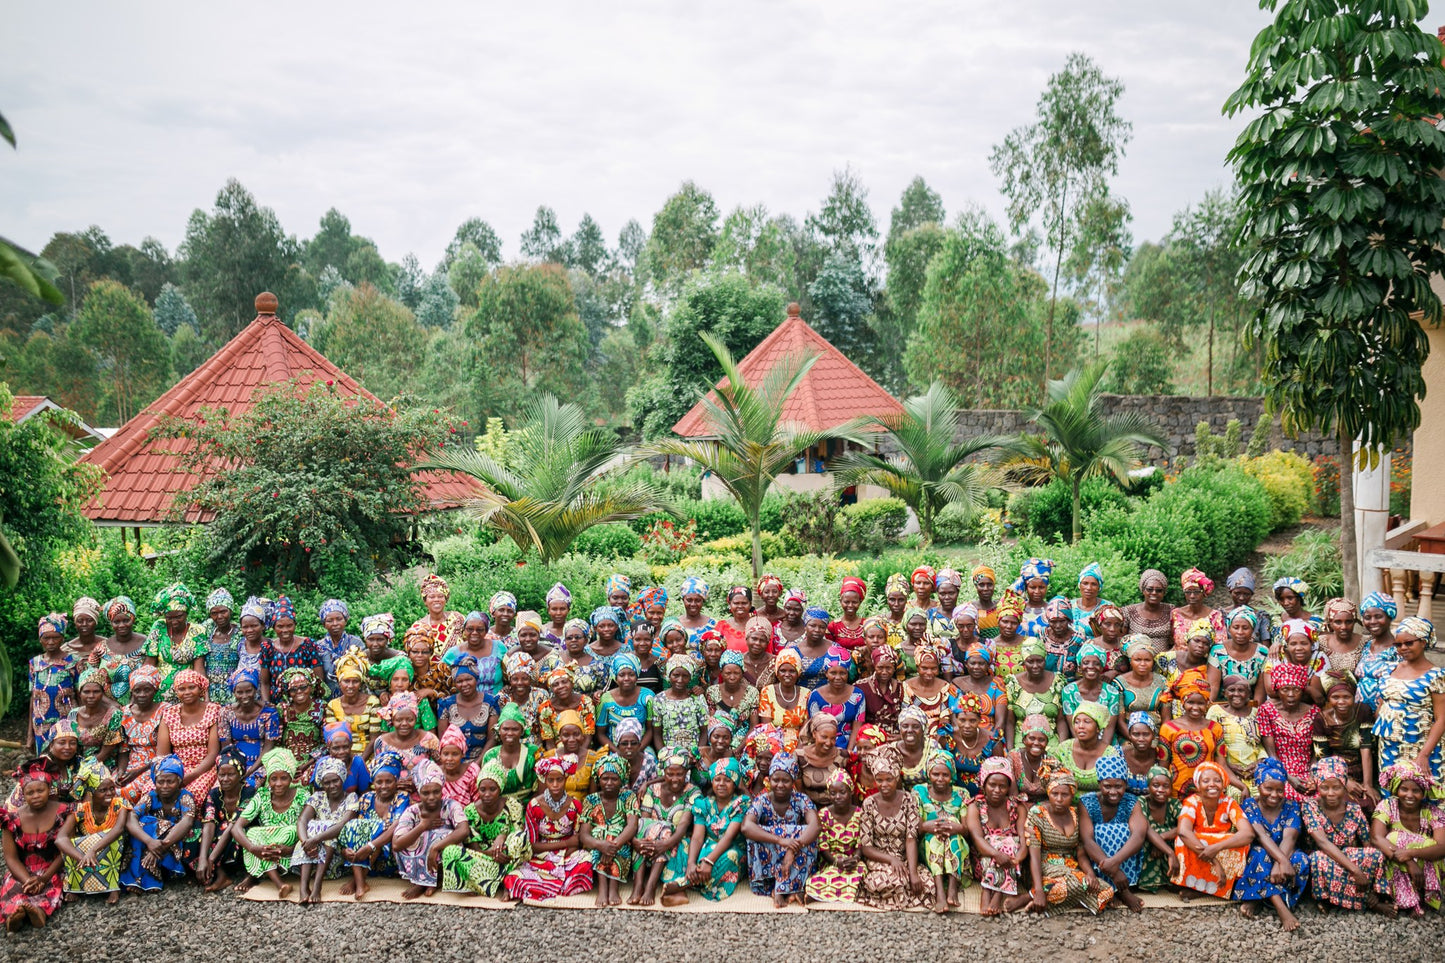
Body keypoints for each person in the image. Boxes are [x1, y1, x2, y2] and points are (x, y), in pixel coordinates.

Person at [1359, 617, 1445, 779]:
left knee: (1420, 792)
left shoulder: (1436, 675)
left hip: (1420, 744)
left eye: (1409, 643)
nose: (1403, 648)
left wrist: (1424, 755)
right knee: (1392, 788)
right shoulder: (1389, 669)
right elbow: (1383, 702)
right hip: (1390, 744)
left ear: (1423, 642)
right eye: (1398, 645)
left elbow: (1442, 719)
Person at [1302, 756, 1386, 914]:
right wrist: (1356, 871)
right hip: (1326, 857)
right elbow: (1322, 843)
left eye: (1337, 787)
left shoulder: (1354, 810)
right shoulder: (1310, 806)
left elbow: (1368, 844)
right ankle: (1367, 902)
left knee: (1376, 855)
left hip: (1347, 857)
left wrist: (1365, 867)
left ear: (1345, 786)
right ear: (1318, 786)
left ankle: (1360, 896)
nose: (1331, 793)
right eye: (1325, 787)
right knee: (1318, 859)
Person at [1233, 757, 1307, 930]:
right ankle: (1281, 908)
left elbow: (1290, 838)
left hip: (1285, 850)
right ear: (1258, 786)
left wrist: (1281, 862)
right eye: (1268, 789)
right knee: (1259, 855)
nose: (1274, 795)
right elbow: (1261, 836)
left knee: (1301, 860)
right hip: (1261, 852)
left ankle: (1259, 899)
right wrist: (1280, 862)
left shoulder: (1291, 806)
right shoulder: (1250, 805)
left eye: (1279, 790)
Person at [438, 761, 530, 900]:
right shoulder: (470, 810)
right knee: (450, 851)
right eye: (482, 789)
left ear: (500, 788)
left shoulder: (512, 804)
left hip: (508, 857)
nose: (487, 794)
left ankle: (496, 882)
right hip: (484, 858)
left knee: (519, 839)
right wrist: (492, 853)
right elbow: (474, 848)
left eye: (492, 789)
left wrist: (502, 838)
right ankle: (503, 878)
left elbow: (517, 833)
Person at [1026, 771, 1114, 915]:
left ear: (1072, 795)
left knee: (1106, 891)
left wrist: (1090, 873)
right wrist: (1040, 889)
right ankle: (1033, 895)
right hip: (1043, 866)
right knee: (1075, 884)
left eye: (1065, 795)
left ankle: (1032, 898)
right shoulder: (1037, 813)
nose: (1059, 799)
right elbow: (1034, 856)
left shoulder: (1076, 815)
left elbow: (1080, 852)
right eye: (1055, 794)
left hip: (1071, 869)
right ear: (1048, 793)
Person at [742, 753, 820, 907]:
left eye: (786, 780)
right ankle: (786, 887)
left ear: (792, 781)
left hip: (794, 856)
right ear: (769, 779)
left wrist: (792, 848)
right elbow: (746, 826)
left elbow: (816, 825)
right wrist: (780, 840)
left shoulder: (801, 799)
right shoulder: (762, 800)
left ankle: (780, 888)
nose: (780, 784)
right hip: (771, 856)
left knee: (807, 833)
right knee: (755, 835)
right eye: (775, 780)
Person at [0, 763, 69, 932]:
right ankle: (14, 916)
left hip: (51, 868)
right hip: (23, 869)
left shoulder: (63, 812)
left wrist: (43, 878)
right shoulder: (11, 819)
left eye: (40, 791)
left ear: (49, 789)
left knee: (52, 888)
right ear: (23, 794)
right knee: (13, 887)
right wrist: (27, 880)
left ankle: (38, 912)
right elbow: (11, 857)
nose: (36, 795)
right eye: (30, 792)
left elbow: (65, 851)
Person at [232, 748, 309, 897]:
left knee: (291, 830)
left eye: (284, 778)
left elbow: (311, 827)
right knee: (252, 833)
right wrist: (254, 848)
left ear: (291, 778)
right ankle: (279, 883)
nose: (278, 784)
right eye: (274, 779)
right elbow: (236, 828)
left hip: (290, 849)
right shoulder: (262, 796)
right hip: (265, 848)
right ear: (268, 780)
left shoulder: (302, 795)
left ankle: (256, 875)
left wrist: (292, 849)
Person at [1370, 761, 1445, 914]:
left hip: (1421, 864)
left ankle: (1425, 895)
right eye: (1404, 789)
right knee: (1393, 839)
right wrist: (1409, 862)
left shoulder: (1433, 812)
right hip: (1397, 861)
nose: (1409, 795)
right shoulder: (1387, 806)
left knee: (1425, 845)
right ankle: (1407, 899)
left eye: (1416, 790)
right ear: (1397, 790)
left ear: (1423, 793)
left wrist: (1411, 853)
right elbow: (1376, 838)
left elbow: (1442, 847)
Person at [1172, 760, 1252, 898]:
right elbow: (1183, 831)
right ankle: (1201, 887)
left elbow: (1248, 833)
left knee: (1241, 842)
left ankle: (1209, 888)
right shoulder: (1192, 801)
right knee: (1182, 840)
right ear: (1198, 785)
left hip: (1218, 845)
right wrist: (1214, 860)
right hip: (1200, 846)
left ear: (1223, 785)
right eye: (1206, 781)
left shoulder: (1229, 803)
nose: (1212, 784)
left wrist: (1216, 848)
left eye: (1217, 780)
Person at [120, 755, 199, 892]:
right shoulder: (151, 796)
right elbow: (131, 817)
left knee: (159, 826)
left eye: (170, 782)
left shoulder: (185, 797)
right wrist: (150, 841)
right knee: (143, 824)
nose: (165, 786)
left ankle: (153, 879)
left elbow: (187, 821)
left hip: (173, 841)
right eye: (160, 782)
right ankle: (135, 880)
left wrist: (162, 845)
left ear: (179, 781)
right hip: (152, 841)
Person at [1078, 753, 1146, 912]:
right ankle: (1116, 888)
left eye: (1118, 786)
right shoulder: (1086, 801)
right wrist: (1114, 872)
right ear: (1099, 784)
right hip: (1096, 856)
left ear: (1126, 784)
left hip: (1117, 860)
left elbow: (1139, 835)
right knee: (1101, 832)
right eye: (1107, 786)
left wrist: (1114, 863)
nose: (1113, 791)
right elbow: (1087, 840)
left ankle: (1119, 890)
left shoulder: (1131, 801)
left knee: (1122, 831)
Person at [629, 749, 697, 906]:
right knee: (644, 825)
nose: (674, 779)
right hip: (650, 844)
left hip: (676, 842)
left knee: (665, 828)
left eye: (679, 774)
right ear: (663, 772)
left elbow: (683, 826)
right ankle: (638, 886)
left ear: (686, 773)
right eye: (669, 774)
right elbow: (643, 822)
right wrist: (637, 841)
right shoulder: (653, 790)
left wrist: (665, 843)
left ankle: (650, 887)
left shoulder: (692, 792)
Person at [392, 759, 467, 900]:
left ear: (442, 790)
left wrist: (436, 847)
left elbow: (463, 830)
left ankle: (435, 879)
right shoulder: (412, 811)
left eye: (436, 792)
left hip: (440, 854)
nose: (432, 797)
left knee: (443, 837)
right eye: (426, 793)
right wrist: (422, 826)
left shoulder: (450, 805)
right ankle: (422, 881)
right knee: (414, 838)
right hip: (420, 854)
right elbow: (396, 844)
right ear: (419, 792)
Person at [676, 757, 748, 902]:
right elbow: (697, 837)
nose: (721, 784)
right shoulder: (703, 804)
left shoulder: (741, 803)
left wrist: (708, 861)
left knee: (731, 857)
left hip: (729, 848)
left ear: (734, 784)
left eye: (727, 780)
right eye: (717, 779)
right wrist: (691, 863)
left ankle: (684, 883)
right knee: (683, 844)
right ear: (712, 781)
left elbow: (729, 837)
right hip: (707, 847)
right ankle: (693, 876)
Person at [338, 755, 410, 897]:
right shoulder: (366, 798)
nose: (383, 786)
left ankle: (357, 881)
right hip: (364, 856)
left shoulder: (402, 797)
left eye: (388, 781)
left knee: (379, 829)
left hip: (388, 854)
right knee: (356, 825)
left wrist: (370, 846)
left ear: (396, 781)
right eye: (379, 782)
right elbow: (358, 830)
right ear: (373, 783)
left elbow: (396, 826)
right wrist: (346, 850)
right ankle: (360, 882)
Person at [293, 756, 358, 904]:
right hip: (313, 853)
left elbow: (342, 825)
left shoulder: (351, 798)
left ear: (342, 779)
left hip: (337, 855)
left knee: (328, 831)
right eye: (327, 783)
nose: (332, 786)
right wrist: (306, 842)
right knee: (310, 828)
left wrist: (315, 839)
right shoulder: (318, 797)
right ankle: (303, 888)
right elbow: (302, 820)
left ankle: (317, 886)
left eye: (335, 781)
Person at [576, 754, 638, 906]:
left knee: (614, 833)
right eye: (605, 778)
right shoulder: (591, 800)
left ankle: (614, 887)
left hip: (621, 842)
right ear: (598, 780)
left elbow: (632, 825)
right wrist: (601, 845)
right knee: (599, 833)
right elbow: (584, 834)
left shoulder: (628, 796)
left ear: (621, 780)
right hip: (598, 844)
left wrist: (613, 845)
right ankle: (603, 888)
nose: (609, 783)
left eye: (614, 779)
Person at [57, 768, 125, 904]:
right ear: (91, 793)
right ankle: (75, 887)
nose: (110, 793)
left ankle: (112, 888)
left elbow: (118, 829)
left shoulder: (119, 804)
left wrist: (93, 850)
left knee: (112, 838)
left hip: (112, 849)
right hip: (87, 855)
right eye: (103, 790)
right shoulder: (81, 809)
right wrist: (82, 858)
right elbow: (60, 838)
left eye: (112, 788)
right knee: (70, 844)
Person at [155, 668, 223, 802]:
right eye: (182, 689)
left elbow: (213, 753)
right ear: (176, 692)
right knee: (151, 791)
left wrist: (191, 776)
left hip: (204, 768)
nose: (187, 692)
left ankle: (193, 822)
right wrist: (173, 775)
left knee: (192, 794)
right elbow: (162, 755)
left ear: (200, 689)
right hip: (175, 768)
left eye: (192, 687)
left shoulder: (213, 710)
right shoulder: (169, 714)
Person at [1312, 671, 1378, 806]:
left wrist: (1368, 784)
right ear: (1329, 699)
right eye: (1335, 697)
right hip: (1335, 773)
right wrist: (1344, 781)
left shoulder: (1362, 711)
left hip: (1364, 770)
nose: (1341, 702)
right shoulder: (1321, 719)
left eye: (1346, 697)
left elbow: (1366, 748)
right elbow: (1323, 758)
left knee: (1370, 802)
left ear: (1353, 696)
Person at [1257, 662, 1320, 801]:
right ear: (1277, 690)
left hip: (1307, 770)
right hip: (1278, 769)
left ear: (1302, 690)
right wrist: (1288, 778)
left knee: (1320, 796)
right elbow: (1271, 754)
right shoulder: (1267, 711)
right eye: (1285, 689)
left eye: (1296, 689)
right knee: (1285, 795)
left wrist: (1312, 775)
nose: (1291, 694)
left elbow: (1316, 751)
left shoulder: (1314, 712)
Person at [914, 752, 968, 912]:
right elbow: (916, 825)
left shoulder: (962, 793)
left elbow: (966, 829)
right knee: (934, 838)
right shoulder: (918, 791)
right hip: (928, 845)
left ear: (952, 775)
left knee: (953, 838)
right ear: (928, 773)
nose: (940, 778)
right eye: (935, 774)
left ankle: (952, 888)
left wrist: (951, 826)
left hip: (957, 845)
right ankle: (940, 893)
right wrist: (927, 827)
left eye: (945, 774)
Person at [196, 751, 252, 893]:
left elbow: (233, 826)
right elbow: (209, 822)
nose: (225, 779)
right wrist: (203, 858)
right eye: (221, 775)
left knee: (232, 829)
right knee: (194, 831)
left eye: (231, 774)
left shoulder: (249, 792)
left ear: (240, 774)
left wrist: (211, 859)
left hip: (237, 836)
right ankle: (221, 874)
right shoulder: (214, 794)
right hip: (220, 836)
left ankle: (246, 874)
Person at [805, 769, 863, 903]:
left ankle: (829, 894)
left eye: (842, 792)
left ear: (851, 791)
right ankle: (825, 893)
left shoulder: (860, 814)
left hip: (854, 861)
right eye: (833, 793)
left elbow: (861, 843)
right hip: (830, 861)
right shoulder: (823, 814)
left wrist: (855, 858)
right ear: (828, 795)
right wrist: (836, 862)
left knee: (856, 876)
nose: (838, 796)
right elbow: (823, 846)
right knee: (824, 877)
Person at [141, 585, 207, 700]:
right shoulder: (159, 627)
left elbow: (199, 669)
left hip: (187, 695)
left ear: (186, 613)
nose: (174, 622)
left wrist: (205, 698)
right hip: (159, 695)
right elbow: (149, 664)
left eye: (179, 617)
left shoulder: (197, 631)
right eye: (169, 618)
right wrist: (142, 688)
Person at [221, 668, 280, 787]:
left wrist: (252, 769)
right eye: (240, 692)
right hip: (234, 762)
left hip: (262, 762)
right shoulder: (226, 712)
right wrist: (237, 767)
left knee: (251, 786)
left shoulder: (269, 711)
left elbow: (269, 746)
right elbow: (227, 747)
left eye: (249, 691)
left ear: (255, 690)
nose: (245, 696)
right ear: (234, 693)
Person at [30, 614, 80, 754]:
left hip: (68, 723)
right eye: (46, 638)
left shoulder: (73, 662)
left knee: (68, 761)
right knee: (46, 764)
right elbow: (33, 699)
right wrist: (30, 735)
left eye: (55, 637)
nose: (51, 642)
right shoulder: (34, 663)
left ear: (62, 638)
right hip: (41, 726)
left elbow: (81, 695)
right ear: (40, 640)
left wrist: (83, 724)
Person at [1005, 640, 1064, 748]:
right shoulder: (1013, 683)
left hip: (1050, 739)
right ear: (1023, 661)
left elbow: (1060, 719)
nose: (1035, 665)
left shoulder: (1057, 681)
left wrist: (1062, 748)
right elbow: (1010, 721)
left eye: (1039, 661)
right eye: (1030, 661)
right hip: (1022, 738)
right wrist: (1010, 749)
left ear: (1045, 660)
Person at [1209, 607, 1270, 704]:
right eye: (1236, 627)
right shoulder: (1218, 651)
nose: (1240, 632)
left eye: (1245, 628)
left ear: (1252, 630)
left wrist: (1254, 713)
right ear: (1229, 629)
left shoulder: (1262, 653)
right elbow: (1213, 687)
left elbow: (1260, 691)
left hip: (1249, 706)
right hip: (1222, 706)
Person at [94, 596, 146, 706]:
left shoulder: (146, 644)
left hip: (141, 707)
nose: (121, 625)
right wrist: (112, 705)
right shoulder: (101, 648)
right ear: (111, 623)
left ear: (133, 618)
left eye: (126, 620)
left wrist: (132, 705)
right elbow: (91, 681)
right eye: (116, 622)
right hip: (107, 709)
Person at [1138, 766, 1181, 893]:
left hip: (1165, 841)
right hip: (1148, 841)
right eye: (1156, 785)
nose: (1161, 790)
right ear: (1148, 787)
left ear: (1171, 788)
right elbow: (1145, 829)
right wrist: (1169, 852)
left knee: (1182, 838)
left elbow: (1185, 827)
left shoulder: (1174, 804)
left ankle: (1173, 881)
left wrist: (1161, 838)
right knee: (1142, 839)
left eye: (1165, 786)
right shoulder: (1141, 802)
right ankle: (1147, 882)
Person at [67, 668, 122, 765]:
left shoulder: (114, 715)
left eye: (96, 691)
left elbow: (106, 751)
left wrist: (85, 769)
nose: (91, 696)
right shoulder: (73, 714)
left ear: (103, 693)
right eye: (86, 692)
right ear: (80, 694)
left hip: (105, 765)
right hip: (76, 763)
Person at [200, 588, 241, 705]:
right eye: (214, 613)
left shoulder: (240, 633)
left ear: (231, 610)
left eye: (223, 611)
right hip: (209, 693)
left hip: (234, 693)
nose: (219, 616)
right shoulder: (207, 632)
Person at [409, 573, 465, 657]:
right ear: (425, 601)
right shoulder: (418, 628)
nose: (436, 600)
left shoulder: (457, 619)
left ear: (445, 599)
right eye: (431, 597)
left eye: (440, 596)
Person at [1124, 570, 1174, 655]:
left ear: (1164, 592)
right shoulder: (1129, 612)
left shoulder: (1171, 611)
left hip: (1164, 662)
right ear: (1143, 590)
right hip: (1138, 663)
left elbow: (1176, 641)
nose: (1154, 593)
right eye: (1149, 589)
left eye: (1159, 590)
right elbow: (1122, 640)